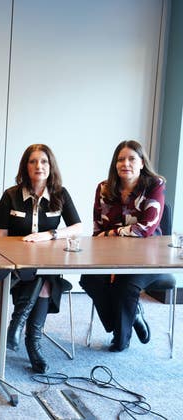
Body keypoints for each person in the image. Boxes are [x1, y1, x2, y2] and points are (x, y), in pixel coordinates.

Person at [0, 144, 82, 373]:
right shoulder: (11, 195)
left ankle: (19, 327)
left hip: (46, 265)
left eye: (43, 161)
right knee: (41, 279)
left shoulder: (60, 194)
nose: (38, 166)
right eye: (33, 161)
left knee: (44, 276)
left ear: (50, 165)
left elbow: (77, 227)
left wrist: (51, 234)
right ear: (26, 166)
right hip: (16, 266)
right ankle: (31, 342)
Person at [79, 140, 164, 352]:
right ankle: (132, 315)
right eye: (120, 159)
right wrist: (107, 244)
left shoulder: (155, 185)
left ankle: (121, 337)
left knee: (125, 286)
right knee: (89, 279)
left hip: (148, 255)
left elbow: (146, 228)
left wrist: (112, 232)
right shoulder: (104, 188)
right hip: (110, 254)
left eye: (131, 159)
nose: (125, 163)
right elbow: (97, 231)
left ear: (142, 163)